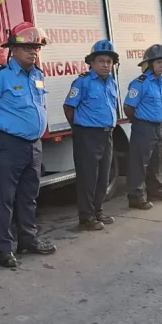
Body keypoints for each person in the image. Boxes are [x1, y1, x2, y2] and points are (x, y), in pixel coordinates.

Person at [0, 22, 56, 268]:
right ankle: (5, 249)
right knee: (5, 199)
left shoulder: (38, 75)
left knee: (29, 196)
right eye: (28, 48)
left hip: (33, 145)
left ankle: (28, 240)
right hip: (8, 145)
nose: (34, 52)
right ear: (13, 50)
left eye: (37, 48)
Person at [64, 40, 119, 230]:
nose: (106, 65)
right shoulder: (82, 82)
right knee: (88, 178)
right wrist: (80, 128)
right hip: (87, 135)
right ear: (92, 63)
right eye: (101, 61)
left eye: (109, 61)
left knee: (103, 176)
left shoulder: (111, 82)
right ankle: (86, 217)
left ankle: (97, 211)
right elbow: (69, 107)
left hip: (106, 135)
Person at [123, 44, 162, 210]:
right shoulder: (140, 83)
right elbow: (128, 107)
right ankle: (136, 197)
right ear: (150, 64)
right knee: (139, 163)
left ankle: (155, 191)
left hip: (158, 127)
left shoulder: (160, 81)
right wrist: (138, 121)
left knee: (154, 162)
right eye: (159, 62)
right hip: (144, 127)